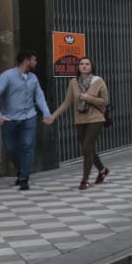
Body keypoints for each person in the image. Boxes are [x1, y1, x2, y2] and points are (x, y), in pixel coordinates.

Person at [0, 51, 51, 190]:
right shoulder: (8, 76)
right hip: (9, 119)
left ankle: (24, 178)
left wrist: (47, 114)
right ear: (26, 60)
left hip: (29, 117)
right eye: (34, 60)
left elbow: (39, 96)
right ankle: (22, 169)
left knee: (27, 146)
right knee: (10, 149)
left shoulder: (33, 78)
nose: (36, 63)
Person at [46, 56, 111, 190]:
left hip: (96, 119)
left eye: (87, 64)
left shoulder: (98, 81)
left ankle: (84, 180)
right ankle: (103, 170)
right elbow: (66, 103)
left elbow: (105, 101)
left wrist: (89, 98)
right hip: (80, 120)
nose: (84, 66)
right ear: (78, 67)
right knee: (90, 149)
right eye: (81, 64)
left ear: (92, 67)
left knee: (87, 147)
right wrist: (53, 116)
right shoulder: (73, 83)